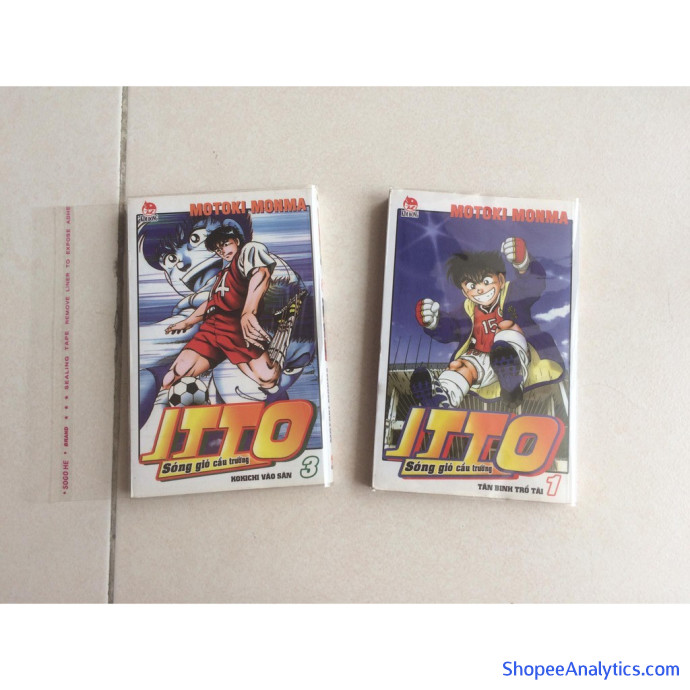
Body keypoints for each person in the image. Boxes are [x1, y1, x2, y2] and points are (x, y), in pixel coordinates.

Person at [411, 237, 563, 408]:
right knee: (459, 365)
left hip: (514, 354)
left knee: (506, 326)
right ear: (465, 292)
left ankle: (513, 379)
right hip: (481, 361)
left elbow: (533, 285)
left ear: (501, 280)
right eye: (471, 286)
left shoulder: (513, 294)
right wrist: (433, 321)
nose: (480, 289)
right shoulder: (467, 309)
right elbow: (450, 328)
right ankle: (442, 398)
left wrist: (523, 263)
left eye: (486, 281)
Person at [163, 219, 281, 394]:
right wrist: (188, 322)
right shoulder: (221, 275)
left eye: (226, 244)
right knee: (174, 375)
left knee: (268, 378)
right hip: (212, 328)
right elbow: (212, 303)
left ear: (237, 241)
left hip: (235, 327)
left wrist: (249, 311)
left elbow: (261, 274)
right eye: (219, 250)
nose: (223, 251)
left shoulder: (247, 251)